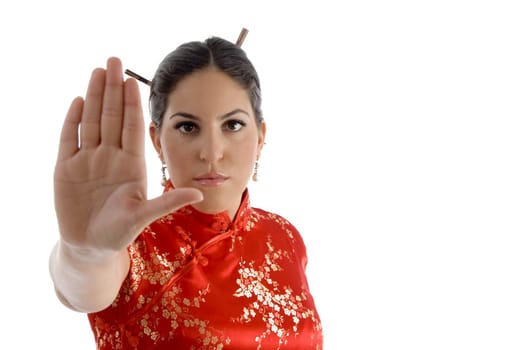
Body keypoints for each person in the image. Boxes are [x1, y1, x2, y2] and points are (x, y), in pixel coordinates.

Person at [49, 30, 323, 349]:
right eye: (187, 127)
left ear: (260, 137)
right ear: (157, 141)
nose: (211, 151)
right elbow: (81, 287)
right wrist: (85, 252)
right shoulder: (131, 242)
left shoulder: (284, 236)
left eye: (232, 125)